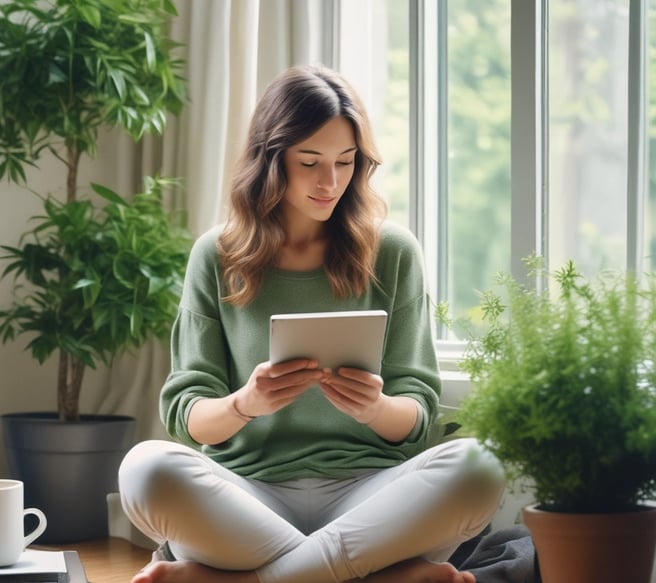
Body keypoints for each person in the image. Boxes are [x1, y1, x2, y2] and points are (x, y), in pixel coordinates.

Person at [118, 65, 505, 583]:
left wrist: (376, 408)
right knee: (146, 468)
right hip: (246, 498)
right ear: (269, 160)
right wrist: (244, 404)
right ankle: (380, 576)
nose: (331, 182)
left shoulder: (392, 252)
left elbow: (416, 414)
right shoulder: (216, 255)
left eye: (346, 162)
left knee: (479, 467)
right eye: (310, 162)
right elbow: (187, 414)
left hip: (370, 498)